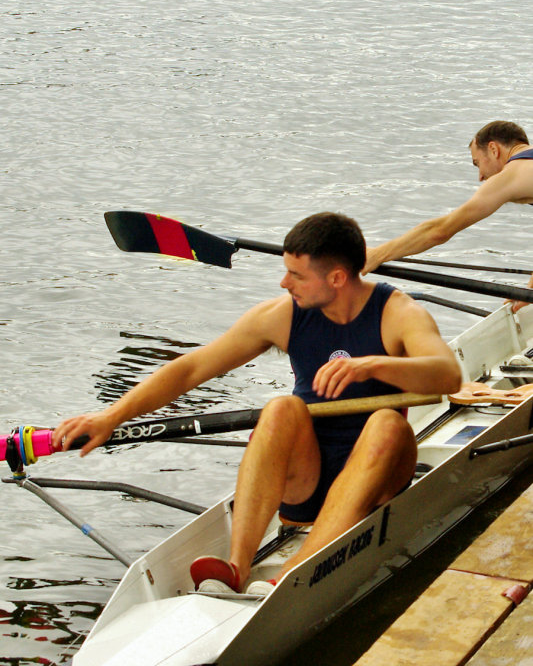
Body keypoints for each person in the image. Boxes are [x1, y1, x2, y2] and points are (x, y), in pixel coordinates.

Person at [53, 212, 461, 596]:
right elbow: (191, 369)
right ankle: (237, 566)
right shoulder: (283, 315)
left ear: (337, 278)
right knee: (281, 407)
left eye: (296, 275)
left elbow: (448, 374)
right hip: (309, 479)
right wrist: (111, 415)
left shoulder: (398, 313)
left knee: (389, 423)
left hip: (378, 477)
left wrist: (372, 365)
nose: (285, 283)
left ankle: (294, 571)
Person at [363, 120, 533, 312]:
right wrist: (529, 290)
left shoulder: (511, 175)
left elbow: (439, 231)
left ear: (493, 149)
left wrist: (377, 254)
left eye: (477, 163)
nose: (480, 177)